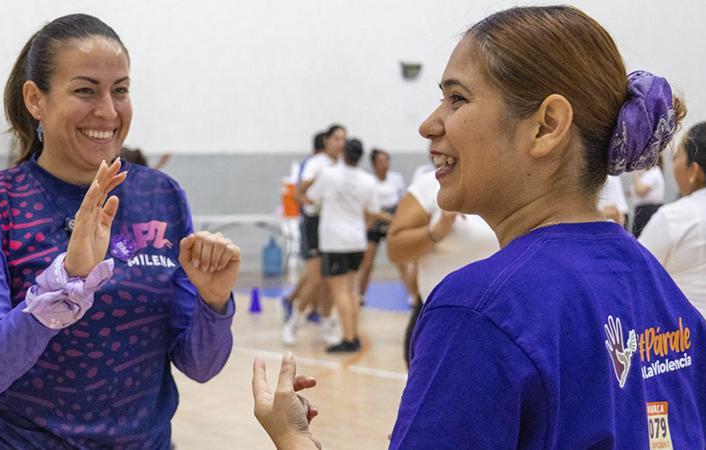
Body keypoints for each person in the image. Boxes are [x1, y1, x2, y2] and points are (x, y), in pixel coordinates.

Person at [253, 5, 706, 449]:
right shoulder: (654, 282)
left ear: (546, 126)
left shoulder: (479, 311)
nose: (429, 124)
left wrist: (294, 439)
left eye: (458, 98)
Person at [0, 14, 240, 448]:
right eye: (85, 90)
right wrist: (65, 285)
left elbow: (200, 364)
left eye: (120, 90)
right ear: (35, 99)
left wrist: (214, 303)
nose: (108, 110)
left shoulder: (162, 195)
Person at [386, 158, 498, 367]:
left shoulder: (512, 183)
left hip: (499, 321)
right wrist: (435, 231)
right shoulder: (430, 185)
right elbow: (395, 249)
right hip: (439, 320)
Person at [305, 139, 382, 352]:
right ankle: (353, 334)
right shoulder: (368, 180)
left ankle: (348, 338)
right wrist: (362, 227)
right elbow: (374, 212)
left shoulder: (328, 175)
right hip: (357, 240)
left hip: (335, 241)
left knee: (340, 291)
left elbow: (310, 198)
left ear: (343, 153)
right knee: (351, 290)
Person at [282, 125, 346, 346]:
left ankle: (327, 322)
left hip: (335, 225)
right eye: (336, 138)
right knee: (315, 277)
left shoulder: (342, 166)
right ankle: (294, 322)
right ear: (327, 140)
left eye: (343, 139)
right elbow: (299, 193)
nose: (340, 143)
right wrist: (312, 202)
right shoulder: (316, 163)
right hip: (314, 224)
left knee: (331, 279)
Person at [640, 122, 706, 315]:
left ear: (693, 171)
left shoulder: (674, 217)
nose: (673, 164)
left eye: (677, 156)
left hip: (686, 336)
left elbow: (636, 275)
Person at [357, 148, 416, 307]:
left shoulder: (395, 179)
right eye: (381, 161)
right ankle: (360, 296)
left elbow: (403, 200)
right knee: (367, 263)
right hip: (376, 220)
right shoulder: (369, 181)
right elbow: (368, 208)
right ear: (374, 164)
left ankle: (412, 296)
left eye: (387, 160)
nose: (385, 164)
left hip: (393, 221)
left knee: (401, 261)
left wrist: (398, 219)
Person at [631, 160, 666, 237]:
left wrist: (635, 174)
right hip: (644, 211)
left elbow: (639, 191)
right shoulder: (649, 173)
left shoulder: (654, 171)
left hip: (648, 211)